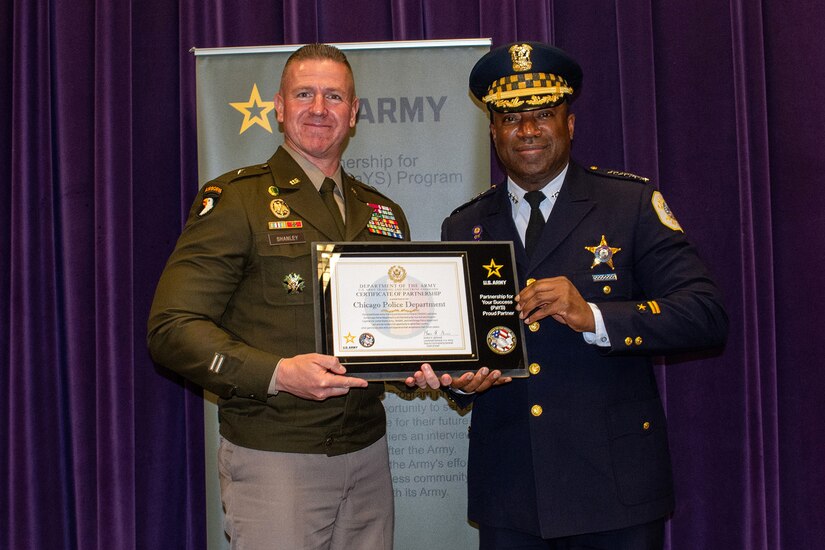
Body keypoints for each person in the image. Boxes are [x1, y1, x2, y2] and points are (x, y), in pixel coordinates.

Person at [408, 42, 729, 549]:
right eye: (512, 118)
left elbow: (706, 314)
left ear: (570, 125)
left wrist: (594, 316)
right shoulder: (464, 224)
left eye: (544, 114)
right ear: (493, 131)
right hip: (511, 491)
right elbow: (466, 346)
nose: (528, 129)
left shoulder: (630, 203)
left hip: (612, 489)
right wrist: (462, 382)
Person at [148, 43, 409, 550]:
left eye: (334, 96)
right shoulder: (236, 200)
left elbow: (397, 331)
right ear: (279, 107)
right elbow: (172, 328)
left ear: (353, 113)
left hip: (368, 453)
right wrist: (276, 373)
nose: (319, 108)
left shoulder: (384, 213)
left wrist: (436, 363)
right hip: (275, 457)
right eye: (304, 94)